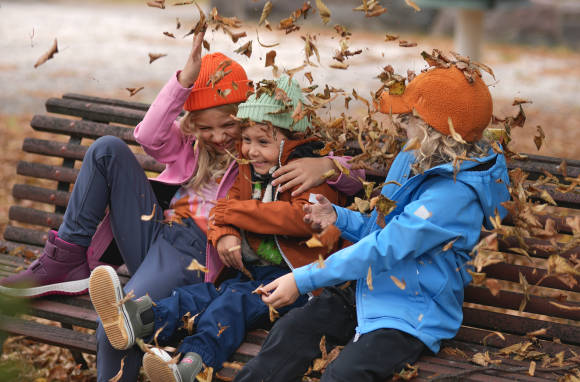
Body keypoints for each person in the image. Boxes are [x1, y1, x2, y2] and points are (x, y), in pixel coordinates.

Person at [0, 32, 363, 381]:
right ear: (193, 125)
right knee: (106, 149)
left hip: (193, 253)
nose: (219, 137)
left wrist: (327, 165)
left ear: (249, 120)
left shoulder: (255, 155)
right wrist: (183, 82)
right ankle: (64, 260)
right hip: (155, 230)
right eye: (207, 127)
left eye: (230, 126)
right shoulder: (191, 146)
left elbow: (355, 171)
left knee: (119, 319)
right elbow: (147, 135)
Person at [233, 64, 512, 382]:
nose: (402, 126)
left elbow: (386, 247)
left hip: (413, 311)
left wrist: (302, 280)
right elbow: (385, 227)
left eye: (409, 120)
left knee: (346, 374)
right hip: (367, 287)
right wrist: (339, 216)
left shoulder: (454, 196)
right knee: (292, 331)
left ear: (431, 130)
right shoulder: (413, 156)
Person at [88, 75, 349, 382]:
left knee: (228, 308)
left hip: (298, 281)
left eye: (262, 142)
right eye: (247, 140)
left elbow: (297, 219)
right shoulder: (249, 169)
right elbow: (220, 215)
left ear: (291, 140)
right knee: (197, 298)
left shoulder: (310, 173)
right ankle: (139, 317)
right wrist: (224, 228)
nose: (250, 151)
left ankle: (190, 366)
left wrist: (235, 212)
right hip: (250, 274)